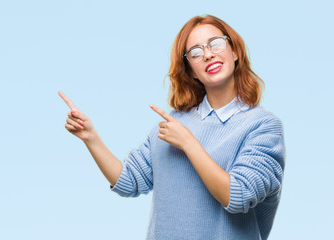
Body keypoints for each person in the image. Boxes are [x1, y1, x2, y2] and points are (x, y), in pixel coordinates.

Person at [59, 14, 285, 240]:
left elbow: (239, 195)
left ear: (235, 51)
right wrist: (91, 138)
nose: (207, 54)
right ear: (190, 71)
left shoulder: (262, 127)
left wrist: (189, 143)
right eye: (195, 52)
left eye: (215, 43)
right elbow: (128, 181)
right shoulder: (173, 126)